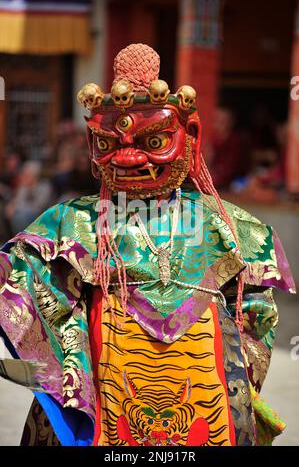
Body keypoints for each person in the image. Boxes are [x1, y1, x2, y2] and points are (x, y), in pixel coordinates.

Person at [0, 44, 295, 447]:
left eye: (153, 142)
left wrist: (237, 372)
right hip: (108, 387)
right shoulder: (73, 221)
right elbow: (22, 283)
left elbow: (254, 314)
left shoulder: (227, 225)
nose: (128, 158)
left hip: (205, 395)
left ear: (190, 137)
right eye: (108, 144)